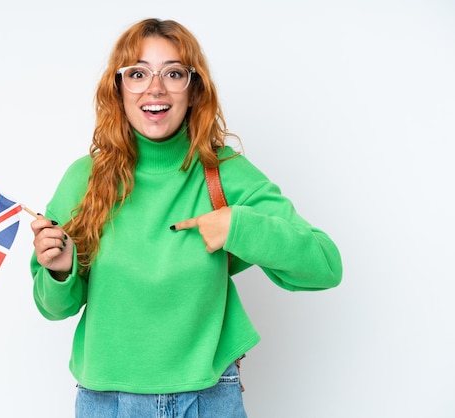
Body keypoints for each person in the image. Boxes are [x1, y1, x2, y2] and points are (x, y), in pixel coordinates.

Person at [30, 17, 342, 418]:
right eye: (138, 73)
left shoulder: (224, 173)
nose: (155, 88)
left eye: (173, 73)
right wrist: (60, 270)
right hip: (105, 401)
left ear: (194, 89)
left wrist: (238, 226)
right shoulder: (84, 179)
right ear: (118, 88)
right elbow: (53, 309)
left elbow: (324, 266)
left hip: (209, 396)